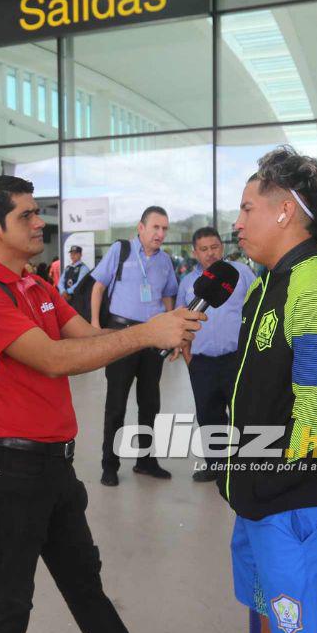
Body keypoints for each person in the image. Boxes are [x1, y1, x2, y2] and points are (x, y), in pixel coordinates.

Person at [0, 175, 203, 633]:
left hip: (53, 466)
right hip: (6, 470)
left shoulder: (36, 285)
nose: (38, 222)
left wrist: (158, 331)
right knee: (9, 602)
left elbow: (87, 338)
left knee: (83, 577)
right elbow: (53, 359)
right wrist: (147, 333)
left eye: (36, 212)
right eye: (25, 214)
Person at [222, 145, 317, 633]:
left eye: (247, 208)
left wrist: (263, 480)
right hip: (261, 500)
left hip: (297, 506)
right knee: (271, 624)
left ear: (284, 211)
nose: (237, 223)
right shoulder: (264, 287)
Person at [90, 206, 179, 486]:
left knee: (150, 403)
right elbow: (98, 287)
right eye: (155, 227)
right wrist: (95, 325)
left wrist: (172, 333)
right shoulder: (121, 250)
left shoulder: (165, 261)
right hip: (121, 334)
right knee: (116, 404)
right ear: (141, 228)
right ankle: (109, 465)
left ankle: (146, 461)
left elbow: (168, 298)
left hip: (153, 338)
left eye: (164, 229)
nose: (160, 233)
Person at [175, 227, 255, 483]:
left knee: (243, 413)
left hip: (236, 360)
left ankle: (243, 466)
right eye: (204, 249)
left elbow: (257, 311)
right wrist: (189, 359)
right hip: (202, 363)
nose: (210, 253)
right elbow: (180, 322)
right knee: (209, 416)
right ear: (194, 252)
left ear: (222, 247)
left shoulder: (241, 274)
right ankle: (216, 466)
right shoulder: (188, 283)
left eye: (214, 247)